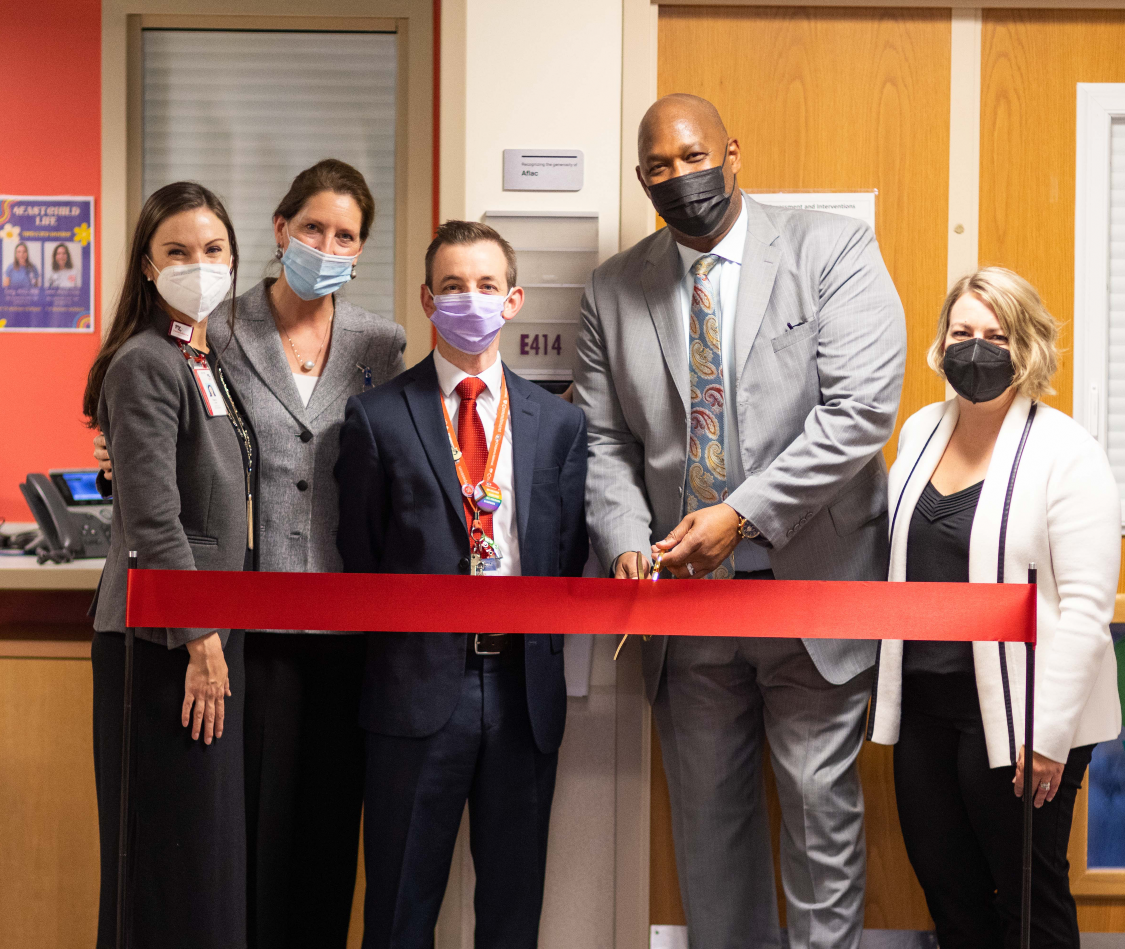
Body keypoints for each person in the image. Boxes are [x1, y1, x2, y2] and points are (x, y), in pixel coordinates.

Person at [574, 94, 906, 949]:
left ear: (731, 152)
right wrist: (619, 540)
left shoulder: (829, 248)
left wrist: (742, 513)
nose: (678, 178)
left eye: (692, 156)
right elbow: (604, 439)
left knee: (817, 816)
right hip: (684, 608)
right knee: (708, 834)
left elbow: (860, 412)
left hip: (814, 591)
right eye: (657, 166)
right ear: (641, 178)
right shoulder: (613, 288)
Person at [95, 159, 406, 949]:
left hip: (335, 620)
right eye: (311, 228)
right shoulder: (209, 337)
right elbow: (156, 498)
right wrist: (202, 633)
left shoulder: (379, 343)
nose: (325, 244)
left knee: (311, 837)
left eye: (345, 234)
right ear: (279, 231)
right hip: (232, 629)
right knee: (220, 848)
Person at [335, 220, 588, 949]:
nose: (467, 300)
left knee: (513, 907)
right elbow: (363, 550)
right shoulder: (377, 417)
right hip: (414, 689)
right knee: (399, 903)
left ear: (512, 301)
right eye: (451, 287)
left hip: (522, 691)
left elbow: (564, 553)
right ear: (426, 299)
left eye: (483, 286)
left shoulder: (559, 424)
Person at [868, 267, 1122, 949]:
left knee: (1027, 903)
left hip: (1021, 718)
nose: (974, 348)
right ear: (941, 340)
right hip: (926, 705)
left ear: (1027, 345)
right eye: (962, 332)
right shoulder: (921, 430)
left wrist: (1048, 738)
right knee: (948, 893)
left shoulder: (1066, 451)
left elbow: (1086, 608)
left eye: (995, 335)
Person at [82, 181, 256, 948]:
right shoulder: (145, 362)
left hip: (206, 634)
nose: (199, 264)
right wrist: (200, 640)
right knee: (163, 861)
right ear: (147, 268)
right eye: (178, 252)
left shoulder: (202, 359)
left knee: (204, 858)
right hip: (164, 646)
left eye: (213, 250)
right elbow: (155, 519)